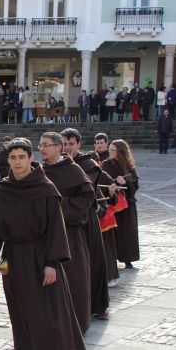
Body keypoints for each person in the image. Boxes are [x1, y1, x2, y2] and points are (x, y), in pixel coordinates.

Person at [0, 138, 85, 350]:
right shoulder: (3, 191)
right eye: (13, 158)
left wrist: (52, 263)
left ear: (31, 159)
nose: (17, 162)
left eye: (21, 157)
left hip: (42, 259)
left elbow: (56, 229)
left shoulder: (45, 188)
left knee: (51, 315)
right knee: (21, 315)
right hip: (13, 260)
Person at [40, 132, 95, 334]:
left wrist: (61, 210)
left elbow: (87, 197)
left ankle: (76, 324)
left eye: (46, 145)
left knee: (73, 279)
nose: (42, 149)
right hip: (45, 236)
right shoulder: (39, 171)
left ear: (58, 147)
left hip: (70, 234)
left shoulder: (73, 170)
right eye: (40, 146)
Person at [63, 128, 112, 320]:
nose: (67, 148)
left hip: (86, 217)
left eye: (71, 144)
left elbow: (85, 192)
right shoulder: (58, 165)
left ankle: (98, 305)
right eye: (65, 144)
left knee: (94, 259)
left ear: (78, 145)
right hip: (66, 218)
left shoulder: (87, 164)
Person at [102, 140, 140, 269]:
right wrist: (114, 183)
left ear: (120, 152)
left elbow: (135, 186)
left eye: (113, 150)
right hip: (113, 205)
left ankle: (128, 258)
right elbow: (104, 182)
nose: (110, 152)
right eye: (110, 149)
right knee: (113, 233)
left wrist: (125, 182)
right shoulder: (106, 164)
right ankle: (112, 257)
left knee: (127, 233)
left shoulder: (128, 166)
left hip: (127, 205)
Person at [92, 133, 120, 287]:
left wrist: (112, 192)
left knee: (107, 249)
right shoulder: (85, 176)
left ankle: (111, 275)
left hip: (105, 218)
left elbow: (114, 195)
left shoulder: (103, 175)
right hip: (93, 217)